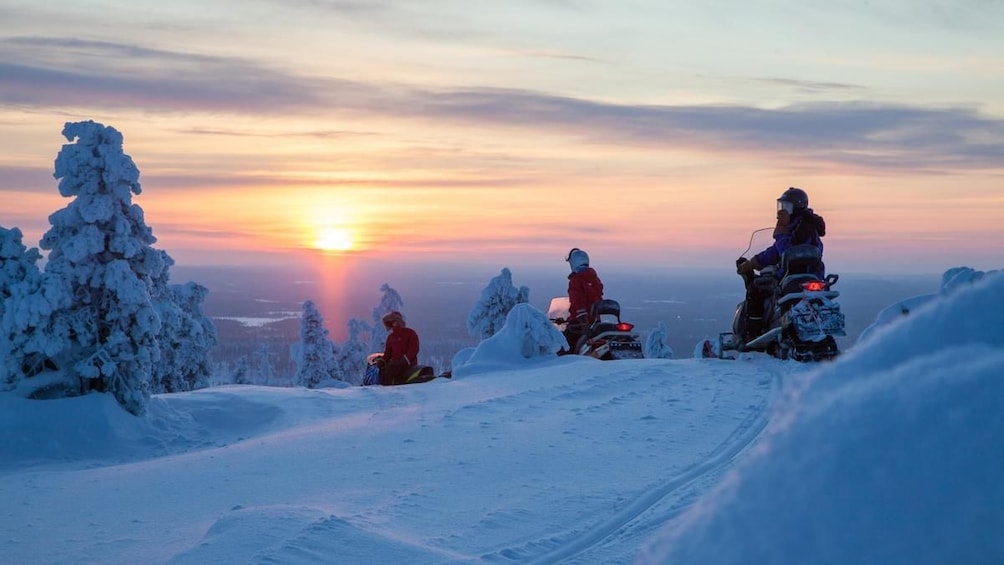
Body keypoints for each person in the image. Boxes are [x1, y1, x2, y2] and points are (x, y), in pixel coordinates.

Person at [736, 187, 827, 343]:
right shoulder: (803, 226)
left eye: (787, 206)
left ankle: (753, 334)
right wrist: (753, 262)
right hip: (812, 276)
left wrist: (781, 234)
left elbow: (786, 252)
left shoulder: (801, 228)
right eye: (782, 206)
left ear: (796, 208)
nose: (782, 211)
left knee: (755, 289)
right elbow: (775, 251)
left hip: (792, 277)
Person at [563, 247, 604, 354]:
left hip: (582, 323)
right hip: (595, 321)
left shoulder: (576, 280)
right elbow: (597, 297)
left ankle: (567, 368)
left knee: (565, 345)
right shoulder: (594, 278)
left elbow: (577, 301)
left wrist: (581, 319)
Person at [376, 311, 420, 385]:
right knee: (383, 374)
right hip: (393, 365)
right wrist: (382, 360)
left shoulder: (410, 333)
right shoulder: (391, 337)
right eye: (391, 321)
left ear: (399, 321)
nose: (393, 323)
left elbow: (414, 349)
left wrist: (405, 360)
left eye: (394, 320)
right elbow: (387, 353)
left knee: (393, 374)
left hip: (408, 365)